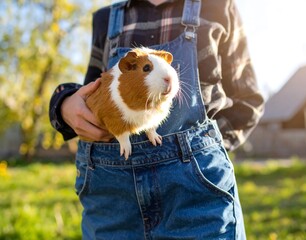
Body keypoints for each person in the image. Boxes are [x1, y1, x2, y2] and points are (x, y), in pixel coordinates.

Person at [49, 0, 264, 239]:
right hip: (115, 198)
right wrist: (63, 104)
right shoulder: (105, 19)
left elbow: (248, 101)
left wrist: (203, 149)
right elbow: (92, 89)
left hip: (198, 196)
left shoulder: (219, 7)